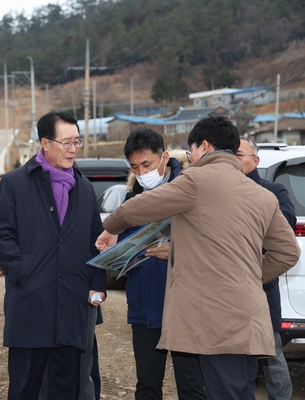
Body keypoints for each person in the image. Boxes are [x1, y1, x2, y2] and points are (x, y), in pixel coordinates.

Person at [96, 116, 301, 399]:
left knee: (221, 392)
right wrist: (251, 278)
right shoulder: (261, 195)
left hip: (214, 321)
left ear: (204, 146)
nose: (191, 156)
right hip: (251, 318)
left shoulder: (196, 179)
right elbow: (288, 252)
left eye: (192, 149)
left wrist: (110, 227)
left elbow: (143, 205)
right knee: (242, 390)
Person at [0, 111, 106, 400]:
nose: (72, 149)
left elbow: (96, 241)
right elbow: (2, 235)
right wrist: (21, 271)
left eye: (77, 142)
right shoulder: (15, 183)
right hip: (32, 302)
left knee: (68, 387)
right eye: (66, 142)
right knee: (26, 385)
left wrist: (97, 283)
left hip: (72, 304)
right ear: (44, 142)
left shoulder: (85, 188)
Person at [119, 128, 205, 400]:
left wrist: (177, 251)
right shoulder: (132, 196)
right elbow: (124, 244)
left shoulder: (191, 187)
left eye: (147, 164)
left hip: (186, 305)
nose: (142, 172)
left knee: (191, 387)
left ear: (164, 157)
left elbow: (212, 243)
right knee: (147, 386)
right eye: (135, 166)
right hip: (145, 304)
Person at [237, 138, 295, 400]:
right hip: (227, 291)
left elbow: (286, 224)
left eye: (239, 154)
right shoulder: (217, 192)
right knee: (237, 365)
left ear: (255, 160)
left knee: (272, 356)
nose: (234, 160)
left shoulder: (273, 190)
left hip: (262, 285)